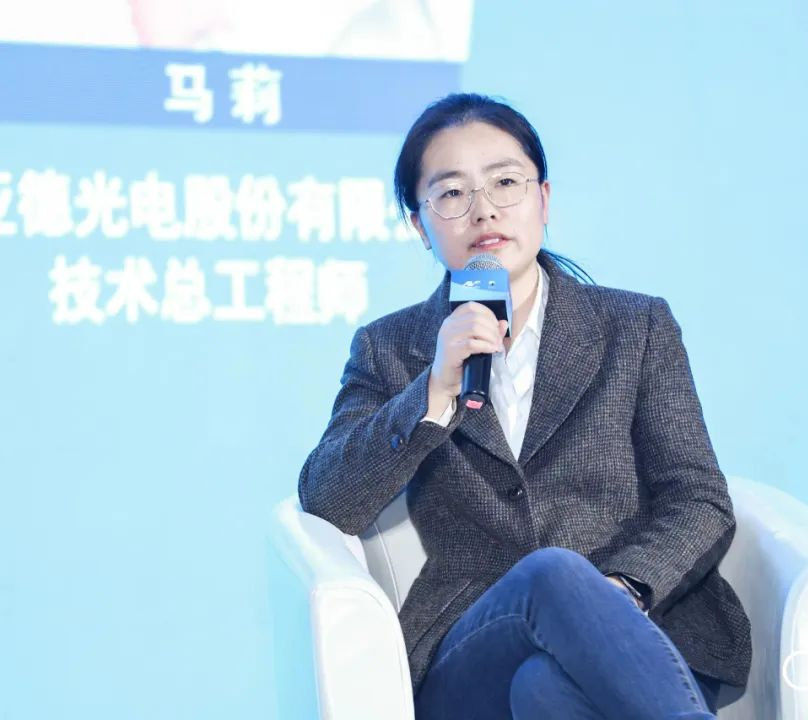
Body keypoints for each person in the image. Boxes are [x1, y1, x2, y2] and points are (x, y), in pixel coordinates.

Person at [298, 93, 752, 719]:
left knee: (545, 689)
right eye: (452, 193)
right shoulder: (390, 348)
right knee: (551, 576)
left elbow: (698, 497)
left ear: (543, 199)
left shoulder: (635, 326)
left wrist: (616, 592)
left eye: (505, 182)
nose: (483, 209)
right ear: (419, 225)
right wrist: (434, 389)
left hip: (643, 628)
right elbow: (327, 498)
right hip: (475, 646)